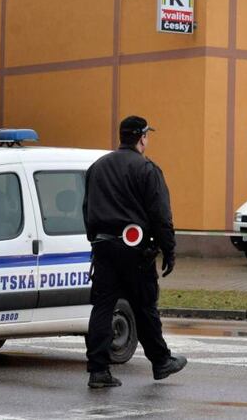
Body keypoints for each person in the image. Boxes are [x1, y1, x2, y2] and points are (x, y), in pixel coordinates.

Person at [82, 115, 187, 388]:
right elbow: (161, 215)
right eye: (147, 136)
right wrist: (169, 251)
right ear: (142, 137)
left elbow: (86, 208)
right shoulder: (147, 169)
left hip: (103, 246)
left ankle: (98, 371)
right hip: (135, 249)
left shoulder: (97, 167)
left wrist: (95, 240)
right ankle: (161, 361)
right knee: (144, 306)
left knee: (103, 307)